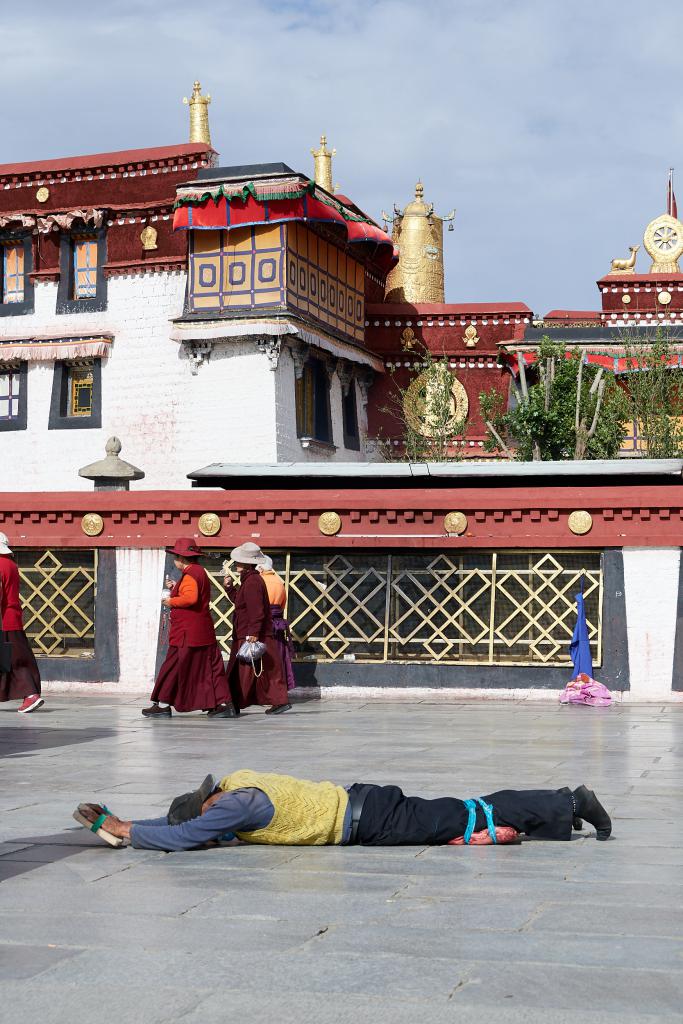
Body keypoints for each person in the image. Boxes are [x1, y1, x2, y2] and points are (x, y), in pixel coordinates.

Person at [73, 770, 612, 851]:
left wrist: (122, 828)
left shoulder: (232, 805)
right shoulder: (239, 784)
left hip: (369, 819)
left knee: (468, 814)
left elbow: (185, 836)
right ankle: (555, 815)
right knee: (463, 814)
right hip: (362, 803)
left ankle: (567, 803)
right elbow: (196, 827)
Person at [142, 538, 237, 719]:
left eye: (175, 557)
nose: (174, 560)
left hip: (187, 634)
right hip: (202, 631)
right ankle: (223, 704)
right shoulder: (198, 572)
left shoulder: (191, 574)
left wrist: (170, 601)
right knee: (210, 667)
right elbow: (191, 593)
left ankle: (162, 705)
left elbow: (191, 598)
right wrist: (175, 588)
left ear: (181, 557)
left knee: (174, 666)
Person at [223, 543, 290, 715]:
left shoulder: (252, 581)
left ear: (246, 564)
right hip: (251, 632)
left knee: (244, 671)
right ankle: (276, 701)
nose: (236, 564)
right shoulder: (250, 580)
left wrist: (253, 633)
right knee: (263, 670)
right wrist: (229, 587)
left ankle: (234, 703)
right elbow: (240, 602)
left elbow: (257, 610)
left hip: (251, 633)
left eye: (239, 561)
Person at [0, 533, 43, 714]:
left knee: (13, 661)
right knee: (14, 659)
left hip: (3, 620)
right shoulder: (10, 564)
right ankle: (30, 695)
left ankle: (31, 695)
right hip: (12, 618)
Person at [257, 554, 296, 692]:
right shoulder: (280, 582)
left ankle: (266, 691)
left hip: (265, 625)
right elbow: (282, 605)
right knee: (278, 658)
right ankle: (279, 689)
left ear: (261, 568)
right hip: (278, 625)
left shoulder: (259, 581)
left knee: (266, 660)